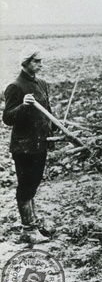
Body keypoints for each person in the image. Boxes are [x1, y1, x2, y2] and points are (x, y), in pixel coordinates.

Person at [2, 44, 55, 243]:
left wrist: (55, 128)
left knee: (34, 183)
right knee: (26, 185)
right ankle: (28, 230)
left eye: (41, 61)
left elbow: (47, 111)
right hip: (24, 147)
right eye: (37, 61)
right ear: (26, 62)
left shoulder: (42, 84)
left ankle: (33, 223)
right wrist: (23, 105)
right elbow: (7, 118)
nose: (41, 65)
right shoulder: (15, 87)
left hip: (40, 144)